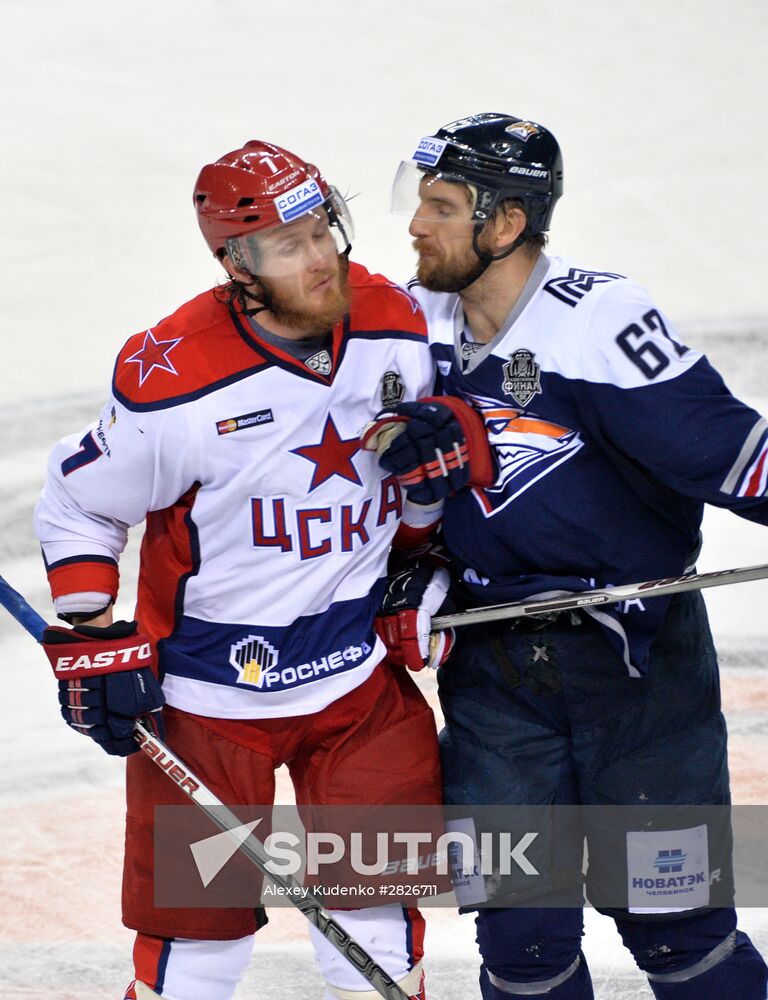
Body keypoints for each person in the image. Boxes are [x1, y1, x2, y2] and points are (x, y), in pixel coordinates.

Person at [364, 112, 768, 999]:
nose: (415, 225)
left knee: (679, 932)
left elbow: (741, 459)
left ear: (505, 223)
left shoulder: (602, 323)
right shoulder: (402, 329)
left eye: (440, 205)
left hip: (637, 672)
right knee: (523, 947)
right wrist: (417, 563)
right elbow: (383, 499)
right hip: (495, 679)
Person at [33, 140, 445, 1000]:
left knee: (378, 924)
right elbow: (79, 504)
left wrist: (430, 558)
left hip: (355, 688)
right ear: (235, 262)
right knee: (198, 945)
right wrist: (90, 629)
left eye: (323, 230)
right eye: (290, 245)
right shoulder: (174, 376)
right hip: (205, 704)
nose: (324, 256)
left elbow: (446, 464)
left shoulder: (399, 321)